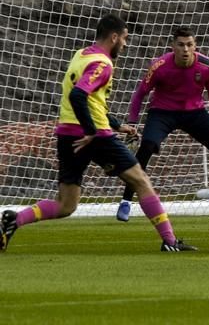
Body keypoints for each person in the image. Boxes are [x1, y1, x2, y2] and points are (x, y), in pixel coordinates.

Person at [0, 14, 196, 252]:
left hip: (68, 134)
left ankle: (14, 220)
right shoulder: (103, 64)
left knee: (66, 205)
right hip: (93, 136)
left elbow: (92, 101)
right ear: (114, 37)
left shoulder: (81, 54)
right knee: (141, 180)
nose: (125, 44)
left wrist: (116, 124)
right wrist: (93, 131)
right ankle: (170, 241)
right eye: (124, 39)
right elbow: (78, 95)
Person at [115, 27, 209, 222]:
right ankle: (126, 202)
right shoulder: (159, 66)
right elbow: (140, 93)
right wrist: (132, 122)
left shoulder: (206, 65)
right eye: (181, 45)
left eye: (189, 45)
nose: (185, 49)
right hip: (162, 112)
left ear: (195, 46)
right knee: (146, 146)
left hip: (194, 112)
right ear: (173, 46)